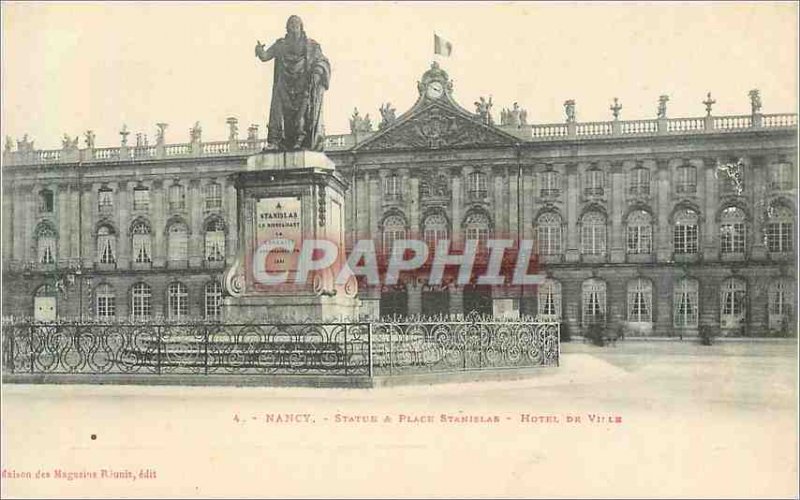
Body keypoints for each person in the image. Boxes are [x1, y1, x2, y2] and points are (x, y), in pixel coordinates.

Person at [255, 15, 331, 151]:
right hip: (284, 85)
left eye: (296, 24)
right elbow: (266, 56)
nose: (293, 26)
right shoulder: (280, 45)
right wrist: (260, 51)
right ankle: (275, 141)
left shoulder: (311, 45)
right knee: (278, 112)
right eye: (291, 24)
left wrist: (318, 71)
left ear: (301, 27)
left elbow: (322, 61)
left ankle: (301, 141)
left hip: (303, 85)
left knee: (302, 114)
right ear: (287, 28)